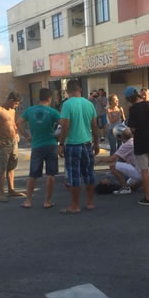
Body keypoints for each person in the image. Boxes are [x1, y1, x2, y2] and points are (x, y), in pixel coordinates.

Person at [58, 79, 99, 214]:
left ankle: (75, 205)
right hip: (87, 143)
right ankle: (90, 202)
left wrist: (61, 143)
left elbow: (65, 126)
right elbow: (94, 125)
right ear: (80, 89)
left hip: (72, 144)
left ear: (68, 91)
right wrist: (97, 142)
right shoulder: (89, 104)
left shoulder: (67, 104)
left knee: (74, 175)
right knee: (89, 173)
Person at [17, 88, 60, 209]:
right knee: (51, 174)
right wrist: (59, 137)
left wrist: (26, 136)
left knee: (33, 174)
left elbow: (18, 122)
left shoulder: (30, 110)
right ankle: (47, 201)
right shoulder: (53, 112)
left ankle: (28, 201)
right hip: (51, 144)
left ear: (39, 98)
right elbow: (63, 123)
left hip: (36, 145)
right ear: (49, 98)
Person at [0, 91, 25, 202]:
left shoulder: (12, 110)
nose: (17, 106)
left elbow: (13, 123)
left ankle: (11, 190)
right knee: (2, 168)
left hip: (14, 142)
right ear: (11, 100)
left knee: (12, 167)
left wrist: (17, 134)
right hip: (4, 142)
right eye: (16, 103)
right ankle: (2, 193)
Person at [95, 126, 144, 195]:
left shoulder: (126, 145)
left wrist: (100, 159)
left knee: (113, 165)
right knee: (130, 184)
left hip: (140, 172)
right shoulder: (137, 140)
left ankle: (125, 188)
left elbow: (112, 159)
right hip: (146, 170)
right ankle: (144, 182)